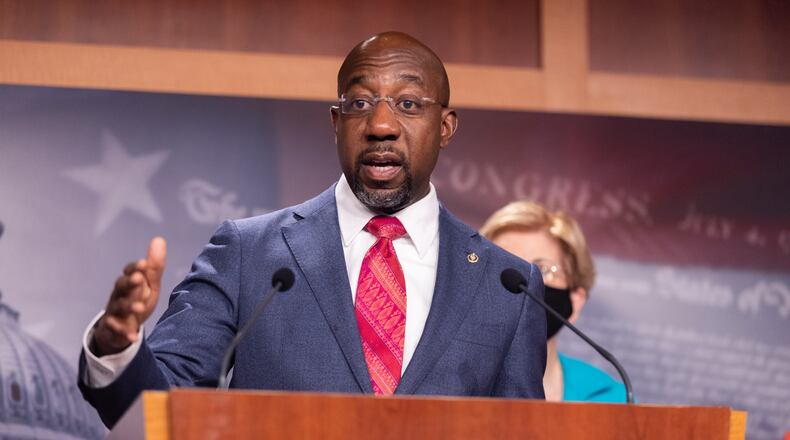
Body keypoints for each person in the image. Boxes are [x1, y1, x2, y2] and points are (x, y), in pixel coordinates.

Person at [78, 32, 547, 428]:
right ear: (337, 122)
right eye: (360, 103)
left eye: (407, 104)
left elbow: (523, 432)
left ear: (445, 127)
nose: (381, 125)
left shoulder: (508, 286)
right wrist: (118, 347)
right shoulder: (247, 252)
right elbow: (160, 409)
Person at [480, 201, 626, 403]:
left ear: (575, 302)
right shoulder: (448, 381)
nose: (526, 278)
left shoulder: (611, 400)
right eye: (506, 266)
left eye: (542, 269)